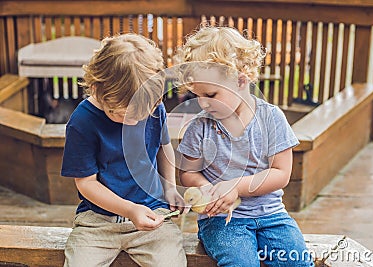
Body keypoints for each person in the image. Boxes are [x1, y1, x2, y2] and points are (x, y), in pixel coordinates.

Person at [176, 26, 314, 266]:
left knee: (297, 261)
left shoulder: (271, 118)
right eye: (196, 95)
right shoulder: (199, 127)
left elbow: (281, 173)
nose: (202, 103)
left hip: (272, 216)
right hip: (221, 221)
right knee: (240, 262)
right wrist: (208, 189)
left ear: (241, 80)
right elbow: (188, 172)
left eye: (210, 94)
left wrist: (236, 187)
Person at [61, 33, 187, 267]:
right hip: (98, 222)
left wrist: (169, 188)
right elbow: (86, 183)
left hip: (152, 215)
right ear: (97, 89)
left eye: (142, 114)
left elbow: (164, 147)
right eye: (122, 114)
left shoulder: (153, 108)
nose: (134, 122)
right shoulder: (82, 122)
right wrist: (129, 210)